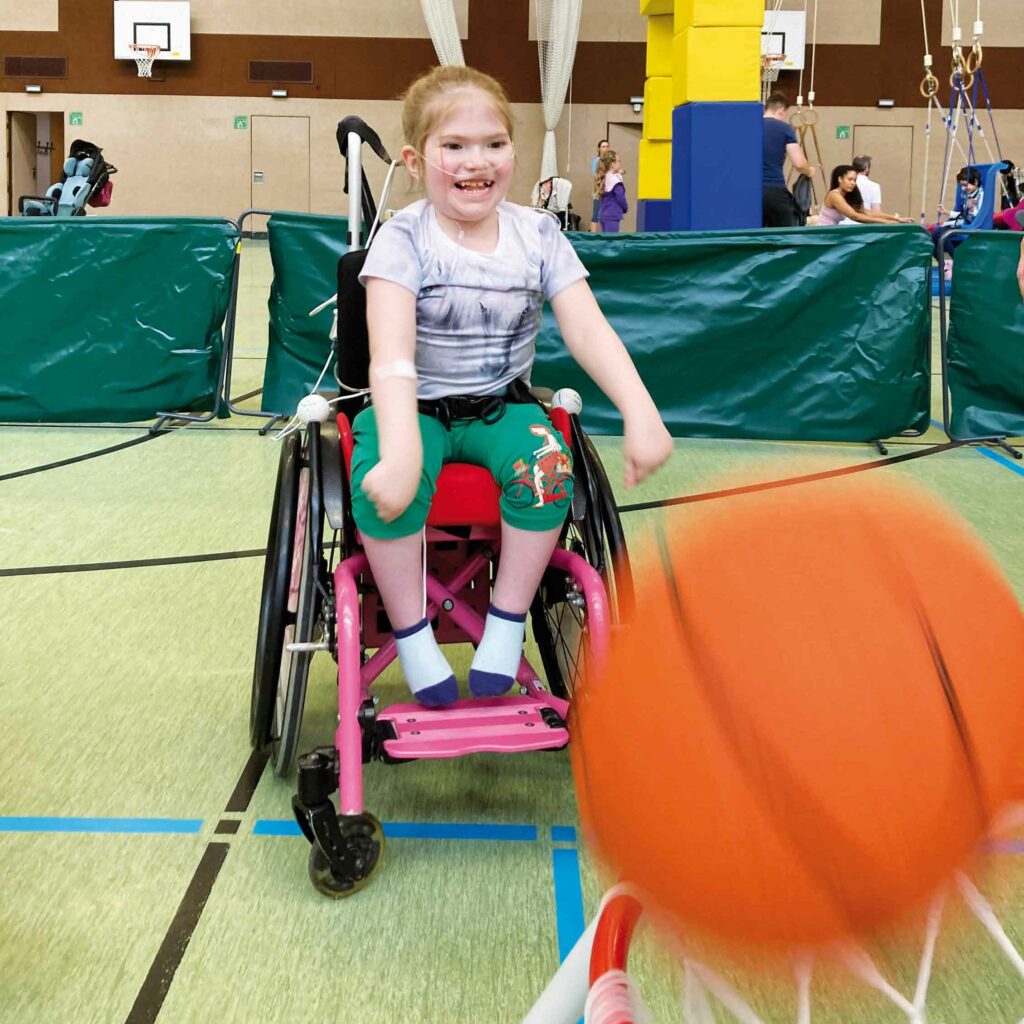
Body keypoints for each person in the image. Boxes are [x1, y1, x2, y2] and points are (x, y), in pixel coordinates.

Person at [354, 65, 672, 707]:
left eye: (494, 144)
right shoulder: (402, 238)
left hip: (500, 409)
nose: (478, 162)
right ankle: (414, 636)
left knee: (551, 469)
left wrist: (642, 413)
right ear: (416, 161)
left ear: (514, 153)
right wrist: (400, 448)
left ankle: (504, 625)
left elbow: (589, 331)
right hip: (412, 405)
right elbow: (390, 357)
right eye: (455, 146)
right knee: (387, 482)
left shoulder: (538, 235)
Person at [762, 92, 815, 227]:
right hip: (773, 189)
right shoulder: (784, 129)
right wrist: (809, 171)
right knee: (785, 236)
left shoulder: (749, 127)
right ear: (781, 110)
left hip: (747, 191)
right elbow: (799, 163)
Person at [817, 165, 913, 226]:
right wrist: (885, 222)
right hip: (822, 234)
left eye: (854, 180)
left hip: (831, 234)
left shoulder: (846, 196)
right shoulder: (834, 195)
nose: (853, 183)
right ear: (840, 179)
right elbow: (855, 216)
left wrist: (896, 218)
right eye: (849, 179)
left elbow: (867, 212)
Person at [595, 151, 628, 233]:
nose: (619, 163)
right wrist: (625, 208)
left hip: (603, 215)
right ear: (613, 164)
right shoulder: (615, 181)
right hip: (612, 215)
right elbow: (620, 197)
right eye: (618, 161)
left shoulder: (603, 177)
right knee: (611, 242)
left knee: (606, 241)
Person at [589, 139, 610, 232]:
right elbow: (596, 175)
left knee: (607, 215)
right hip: (599, 190)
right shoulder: (596, 161)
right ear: (599, 149)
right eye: (603, 146)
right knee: (596, 214)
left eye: (607, 146)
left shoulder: (611, 161)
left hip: (609, 191)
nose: (605, 148)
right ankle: (593, 236)